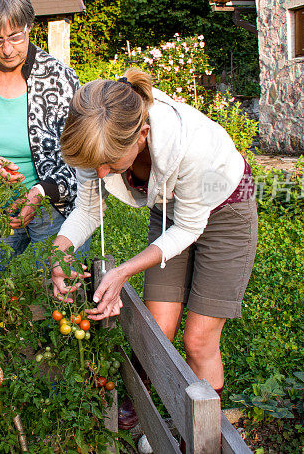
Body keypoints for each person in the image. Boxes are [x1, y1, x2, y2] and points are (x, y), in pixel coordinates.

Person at [51, 68, 258, 432]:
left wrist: (123, 270)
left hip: (225, 207)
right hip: (171, 206)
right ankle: (142, 402)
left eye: (110, 165)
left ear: (142, 135)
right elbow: (86, 210)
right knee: (156, 327)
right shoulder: (96, 138)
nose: (100, 174)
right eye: (94, 165)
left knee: (198, 340)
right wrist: (59, 252)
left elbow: (191, 227)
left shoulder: (192, 145)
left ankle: (203, 432)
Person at [0, 0, 89, 265]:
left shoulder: (59, 79)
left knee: (63, 288)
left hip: (54, 206)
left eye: (16, 36)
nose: (7, 49)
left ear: (29, 26)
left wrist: (41, 191)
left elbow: (81, 156)